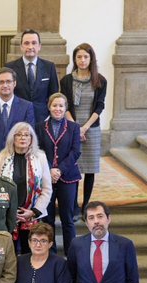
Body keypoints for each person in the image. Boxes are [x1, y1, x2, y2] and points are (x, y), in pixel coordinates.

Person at [60, 43, 107, 213]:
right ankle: (72, 205)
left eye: (86, 57)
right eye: (79, 57)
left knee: (89, 169)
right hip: (71, 127)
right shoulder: (66, 80)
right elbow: (64, 105)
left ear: (91, 59)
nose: (82, 60)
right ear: (75, 59)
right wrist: (76, 128)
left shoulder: (100, 80)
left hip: (91, 129)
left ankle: (85, 205)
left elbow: (99, 106)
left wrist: (85, 128)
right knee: (73, 167)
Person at [0, 122, 53, 254]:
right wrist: (9, 212)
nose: (23, 138)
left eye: (27, 135)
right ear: (12, 138)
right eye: (19, 135)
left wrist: (33, 212)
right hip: (7, 216)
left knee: (30, 254)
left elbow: (47, 189)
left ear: (31, 139)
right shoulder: (0, 158)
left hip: (32, 216)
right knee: (9, 255)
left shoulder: (40, 158)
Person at [36, 93, 81, 254]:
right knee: (47, 218)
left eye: (61, 106)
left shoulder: (74, 127)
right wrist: (49, 169)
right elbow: (38, 150)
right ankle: (51, 253)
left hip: (67, 177)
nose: (58, 109)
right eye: (54, 105)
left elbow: (75, 152)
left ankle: (71, 254)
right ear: (49, 107)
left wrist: (59, 169)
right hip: (46, 177)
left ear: (65, 108)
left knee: (67, 218)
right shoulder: (40, 127)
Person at [5, 30, 59, 123]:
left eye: (34, 43)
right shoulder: (10, 67)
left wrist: (50, 116)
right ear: (21, 47)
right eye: (26, 43)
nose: (30, 47)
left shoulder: (49, 67)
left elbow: (54, 94)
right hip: (17, 119)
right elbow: (7, 94)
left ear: (39, 46)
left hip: (43, 120)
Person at [0, 67, 35, 152]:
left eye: (8, 81)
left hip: (18, 155)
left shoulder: (26, 106)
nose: (5, 85)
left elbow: (29, 135)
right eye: (1, 82)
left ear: (14, 83)